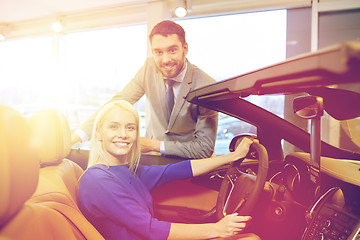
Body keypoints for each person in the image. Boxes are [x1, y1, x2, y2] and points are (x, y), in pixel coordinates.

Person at [78, 100, 261, 240]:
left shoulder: (127, 171)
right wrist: (217, 229)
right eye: (113, 127)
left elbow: (179, 170)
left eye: (130, 128)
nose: (123, 134)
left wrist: (232, 157)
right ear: (99, 133)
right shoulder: (97, 180)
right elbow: (150, 228)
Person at [72, 20, 218, 159]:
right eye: (158, 52)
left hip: (189, 163)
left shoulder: (206, 86)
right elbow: (117, 103)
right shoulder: (149, 68)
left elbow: (204, 148)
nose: (165, 60)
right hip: (153, 160)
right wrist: (79, 135)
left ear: (185, 48)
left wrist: (154, 145)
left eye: (172, 50)